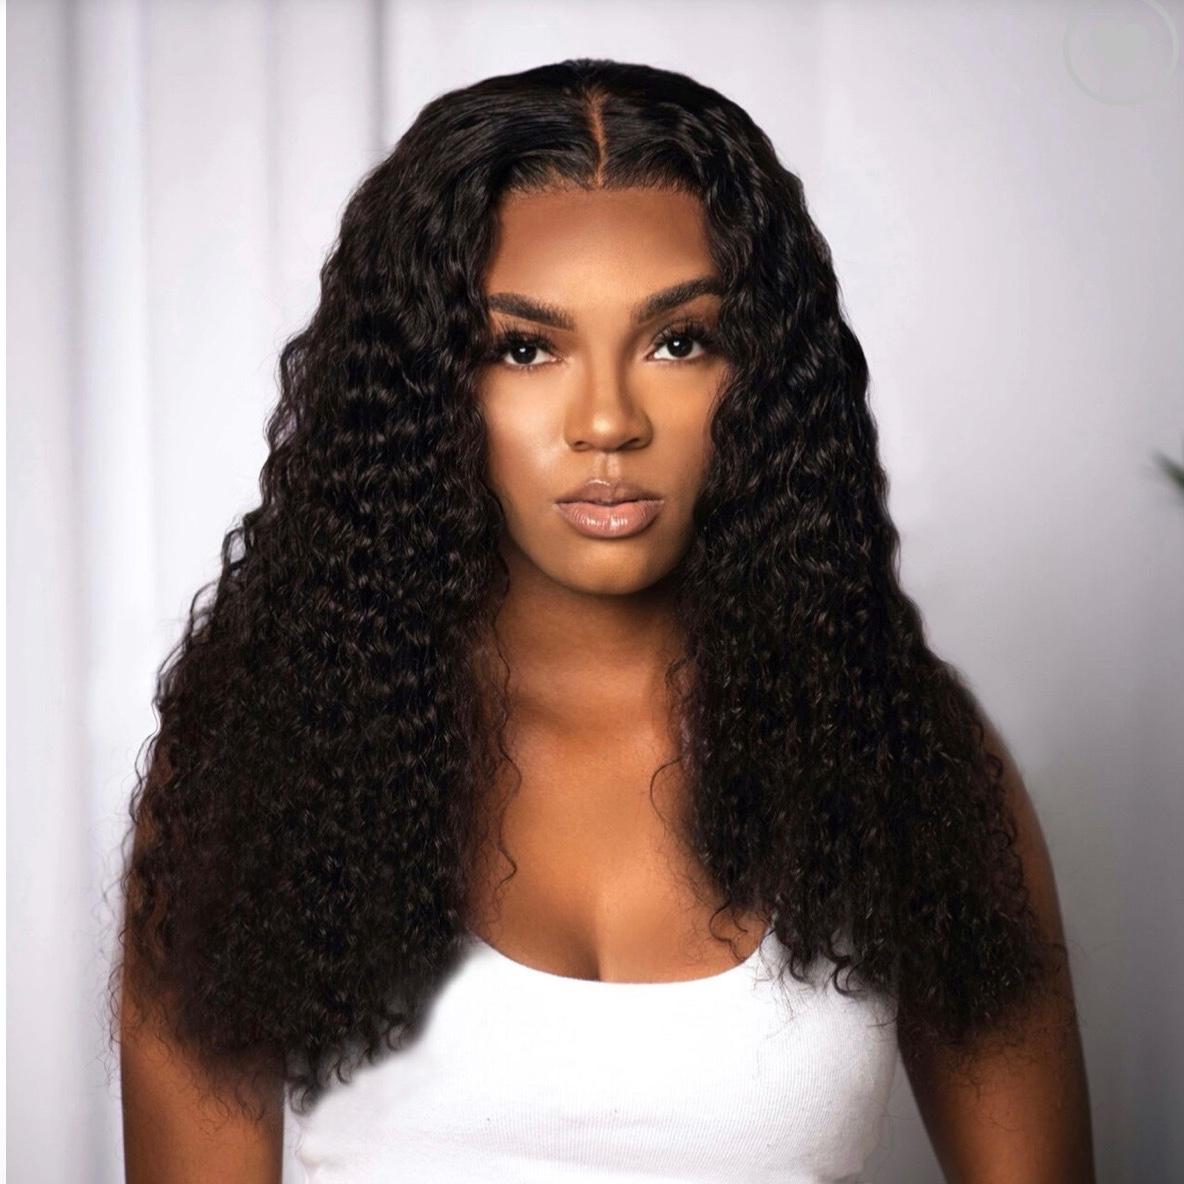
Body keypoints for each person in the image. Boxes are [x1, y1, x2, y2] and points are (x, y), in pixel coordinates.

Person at [112, 58, 1095, 1182]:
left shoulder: (900, 750)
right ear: (428, 387)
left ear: (762, 375)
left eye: (679, 341)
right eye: (523, 348)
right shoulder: (267, 753)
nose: (609, 421)